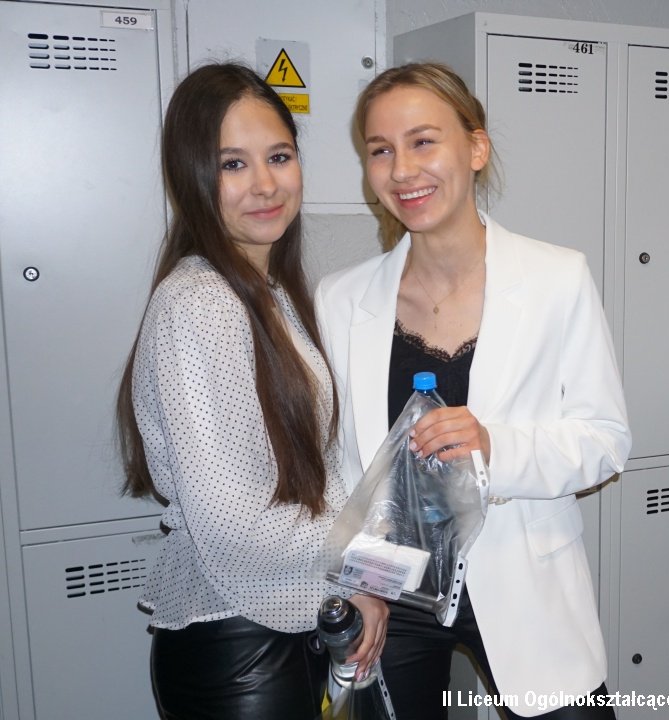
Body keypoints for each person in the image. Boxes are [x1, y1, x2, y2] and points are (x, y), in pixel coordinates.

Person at [314, 62, 630, 720]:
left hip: (524, 582)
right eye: (381, 150)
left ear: (475, 148)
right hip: (393, 596)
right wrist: (358, 582)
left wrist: (495, 447)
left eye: (423, 142)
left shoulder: (556, 278)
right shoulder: (341, 299)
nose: (402, 170)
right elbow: (341, 468)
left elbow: (605, 441)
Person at [115, 63, 386, 719]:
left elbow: (309, 474)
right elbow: (236, 523)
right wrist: (364, 562)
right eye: (232, 164)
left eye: (279, 157)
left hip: (286, 624)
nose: (265, 184)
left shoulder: (267, 292)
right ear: (191, 177)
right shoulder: (201, 302)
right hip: (242, 650)